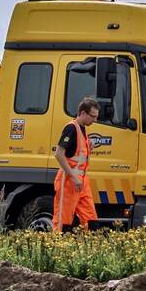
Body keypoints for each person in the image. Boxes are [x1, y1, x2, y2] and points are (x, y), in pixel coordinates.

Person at [53, 97, 100, 233]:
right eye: (93, 116)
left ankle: (86, 251)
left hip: (82, 183)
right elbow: (58, 154)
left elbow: (76, 155)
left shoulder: (82, 129)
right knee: (64, 223)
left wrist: (89, 146)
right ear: (82, 113)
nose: (95, 121)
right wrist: (74, 177)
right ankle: (58, 250)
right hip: (68, 182)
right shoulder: (71, 128)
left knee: (92, 222)